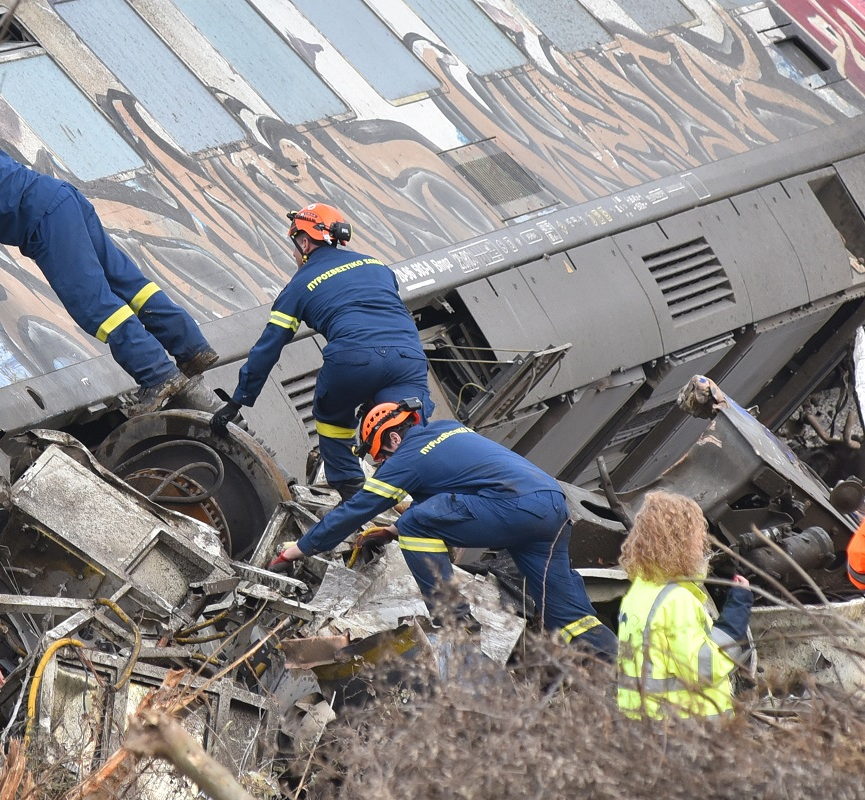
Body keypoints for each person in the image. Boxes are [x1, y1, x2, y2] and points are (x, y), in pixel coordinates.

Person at [0, 115, 217, 415]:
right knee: (127, 283)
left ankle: (157, 375)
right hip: (61, 198)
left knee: (94, 305)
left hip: (43, 217)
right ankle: (192, 348)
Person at [268, 400, 618, 659]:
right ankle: (625, 674)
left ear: (392, 439)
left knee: (414, 525)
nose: (385, 467)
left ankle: (456, 623)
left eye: (382, 459)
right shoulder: (446, 429)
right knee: (568, 615)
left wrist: (296, 550)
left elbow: (355, 511)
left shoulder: (408, 456)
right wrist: (390, 532)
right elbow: (459, 490)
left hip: (514, 508)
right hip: (551, 508)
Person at [210, 203, 432, 501]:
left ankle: (352, 491)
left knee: (331, 415)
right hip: (408, 356)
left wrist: (239, 400)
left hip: (352, 360)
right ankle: (426, 489)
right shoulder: (377, 265)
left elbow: (268, 348)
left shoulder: (299, 286)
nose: (293, 254)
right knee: (410, 420)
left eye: (294, 244)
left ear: (304, 242)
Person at [616, 491, 753, 720]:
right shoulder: (677, 600)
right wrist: (736, 613)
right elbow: (705, 668)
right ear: (681, 541)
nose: (703, 544)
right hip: (686, 729)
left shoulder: (639, 591)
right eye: (698, 536)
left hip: (645, 723)